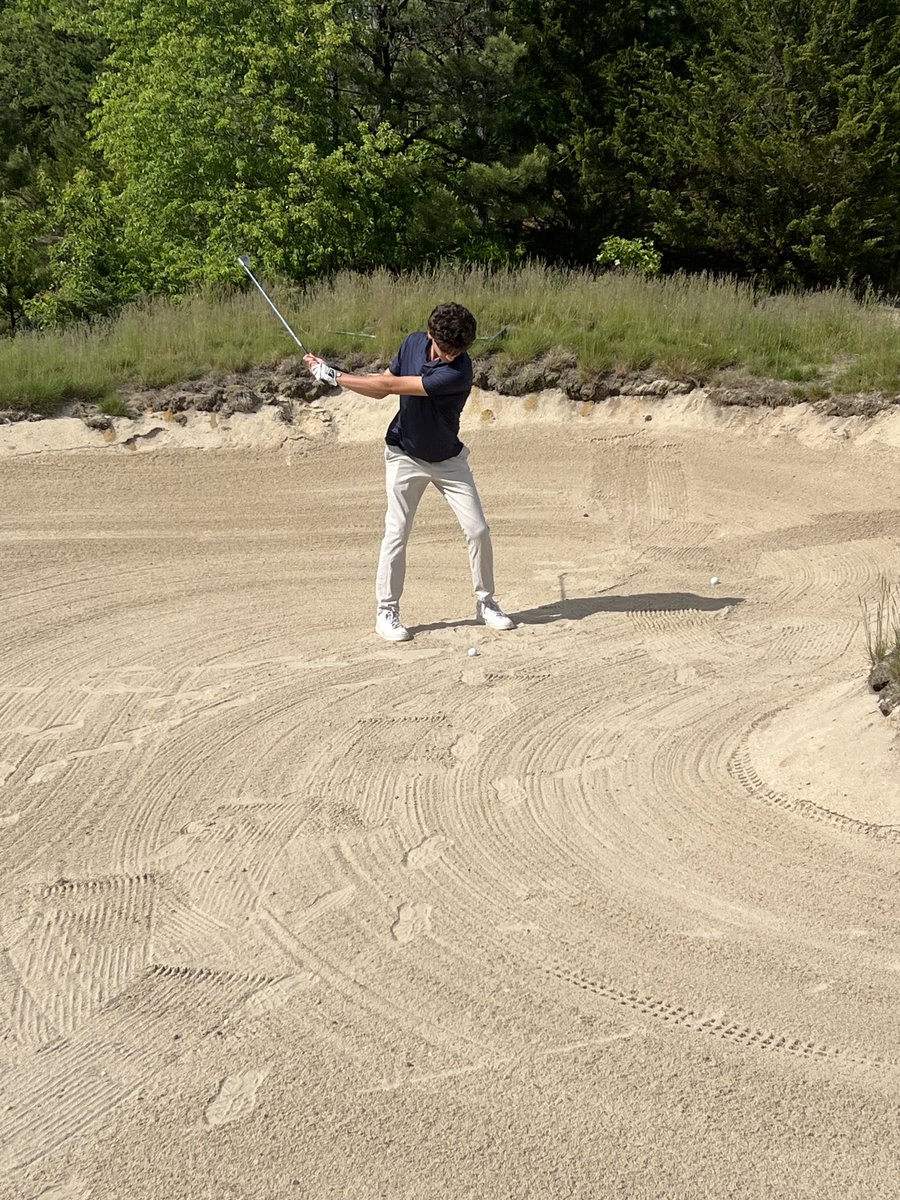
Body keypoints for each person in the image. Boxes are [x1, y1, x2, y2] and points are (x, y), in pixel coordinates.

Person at [304, 302, 515, 643]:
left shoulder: (458, 372)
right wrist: (334, 372)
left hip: (448, 459)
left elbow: (389, 388)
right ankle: (386, 611)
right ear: (430, 336)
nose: (450, 356)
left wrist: (336, 377)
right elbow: (385, 382)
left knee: (477, 529)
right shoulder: (414, 343)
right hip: (404, 453)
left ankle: (486, 603)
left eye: (458, 351)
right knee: (397, 532)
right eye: (446, 350)